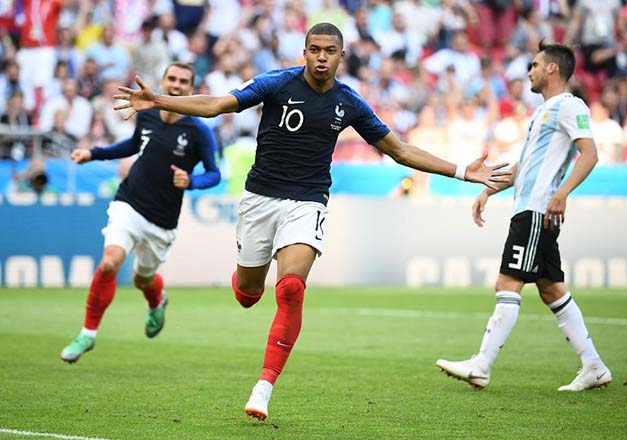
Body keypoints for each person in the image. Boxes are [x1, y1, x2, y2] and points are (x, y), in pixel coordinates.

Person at [113, 23, 510, 421]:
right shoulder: (276, 83)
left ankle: (263, 388)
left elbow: (400, 150)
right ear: (304, 52)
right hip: (260, 199)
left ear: (342, 56)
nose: (322, 57)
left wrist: (463, 171)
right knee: (248, 294)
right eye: (315, 49)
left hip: (307, 201)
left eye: (329, 51)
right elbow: (217, 105)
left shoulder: (349, 102)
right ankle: (246, 282)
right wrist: (158, 100)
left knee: (290, 289)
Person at [436, 40, 612, 392]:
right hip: (531, 209)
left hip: (536, 210)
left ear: (552, 68)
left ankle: (481, 365)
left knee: (506, 284)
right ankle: (594, 366)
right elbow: (523, 168)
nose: (529, 71)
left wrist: (562, 193)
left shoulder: (569, 105)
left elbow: (590, 153)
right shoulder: (543, 112)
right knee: (551, 290)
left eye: (534, 65)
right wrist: (488, 190)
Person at [60, 62, 221, 363]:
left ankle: (157, 300)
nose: (176, 85)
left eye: (183, 81)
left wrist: (192, 181)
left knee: (142, 280)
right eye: (171, 78)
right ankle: (87, 334)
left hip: (162, 219)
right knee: (109, 263)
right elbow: (133, 145)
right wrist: (93, 154)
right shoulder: (146, 114)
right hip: (130, 201)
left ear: (191, 89)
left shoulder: (199, 130)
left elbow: (214, 174)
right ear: (162, 81)